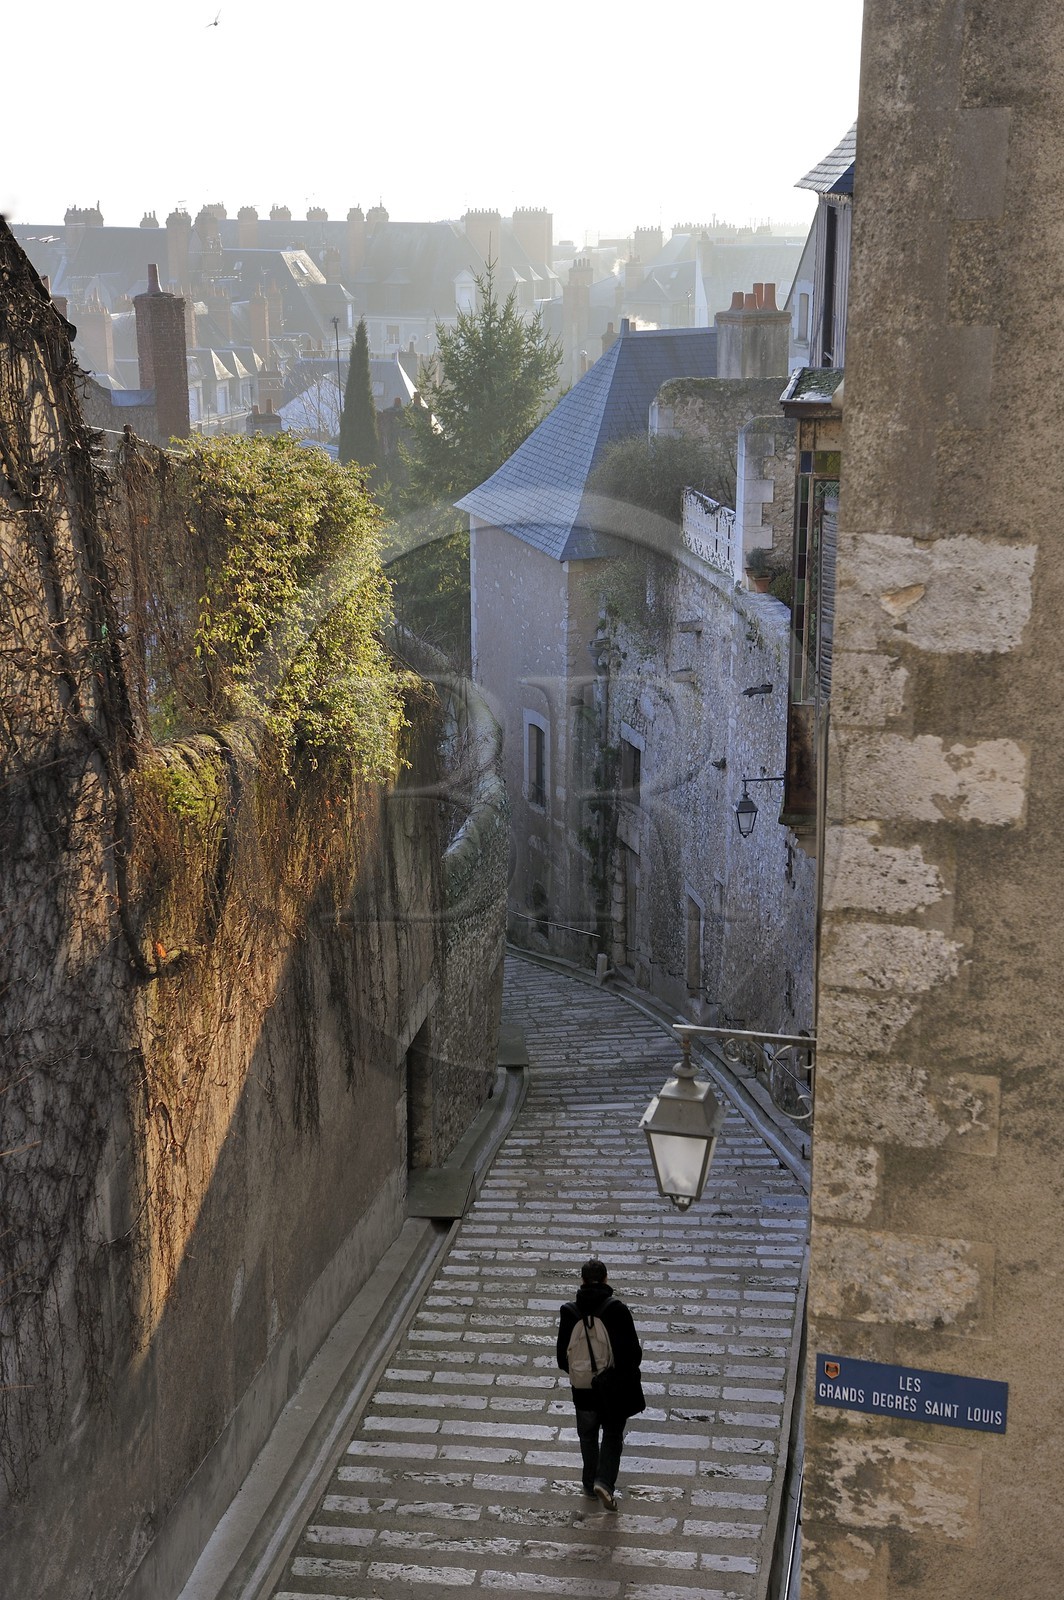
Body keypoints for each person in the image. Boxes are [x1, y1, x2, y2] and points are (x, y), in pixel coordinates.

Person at [556, 1258, 645, 1510]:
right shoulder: (617, 1310)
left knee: (587, 1435)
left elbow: (562, 1358)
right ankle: (604, 1482)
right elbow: (633, 1355)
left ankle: (588, 1482)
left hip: (583, 1389)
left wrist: (583, 1373)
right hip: (612, 1389)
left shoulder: (569, 1312)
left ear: (582, 1280)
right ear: (606, 1279)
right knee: (613, 1434)